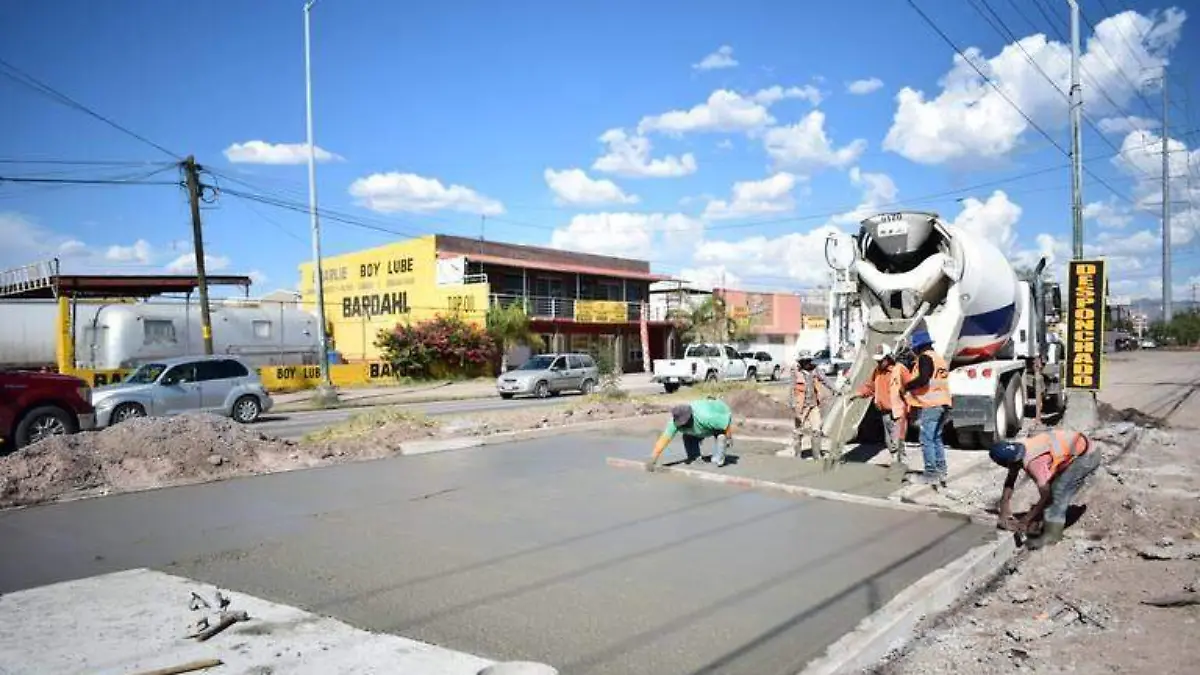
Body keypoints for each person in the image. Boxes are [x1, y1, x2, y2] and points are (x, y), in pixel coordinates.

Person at [988, 429, 1100, 549]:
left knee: (1058, 492)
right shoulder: (1018, 448)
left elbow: (1046, 496)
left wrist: (1026, 520)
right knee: (1052, 485)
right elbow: (1011, 477)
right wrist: (1004, 510)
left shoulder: (1034, 463)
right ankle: (1041, 522)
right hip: (1073, 449)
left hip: (1087, 456)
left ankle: (1052, 535)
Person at [850, 344, 911, 476]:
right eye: (877, 360)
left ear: (889, 358)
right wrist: (857, 394)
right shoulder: (877, 371)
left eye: (881, 360)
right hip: (884, 412)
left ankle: (899, 470)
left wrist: (911, 405)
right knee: (889, 442)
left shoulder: (900, 370)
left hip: (898, 412)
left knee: (897, 442)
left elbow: (911, 386)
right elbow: (870, 387)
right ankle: (897, 464)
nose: (879, 362)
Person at [903, 330, 951, 487]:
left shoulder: (925, 358)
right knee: (936, 438)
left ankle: (931, 473)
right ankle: (941, 471)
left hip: (932, 405)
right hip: (943, 402)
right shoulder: (938, 359)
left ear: (918, 347)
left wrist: (906, 386)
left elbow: (923, 379)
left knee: (926, 439)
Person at [645, 399, 734, 471]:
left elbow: (725, 423)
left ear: (690, 417)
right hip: (703, 425)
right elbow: (664, 439)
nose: (683, 425)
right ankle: (695, 457)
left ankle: (719, 458)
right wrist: (653, 457)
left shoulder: (705, 416)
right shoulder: (674, 422)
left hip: (720, 413)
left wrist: (729, 437)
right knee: (687, 435)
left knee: (721, 436)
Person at [789, 350, 835, 460]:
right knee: (798, 431)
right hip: (801, 406)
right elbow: (791, 388)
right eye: (804, 361)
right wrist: (792, 403)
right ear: (801, 362)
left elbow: (825, 380)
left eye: (808, 360)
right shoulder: (795, 371)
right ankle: (797, 455)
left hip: (813, 405)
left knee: (817, 430)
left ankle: (816, 455)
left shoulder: (815, 370)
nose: (807, 363)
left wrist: (835, 389)